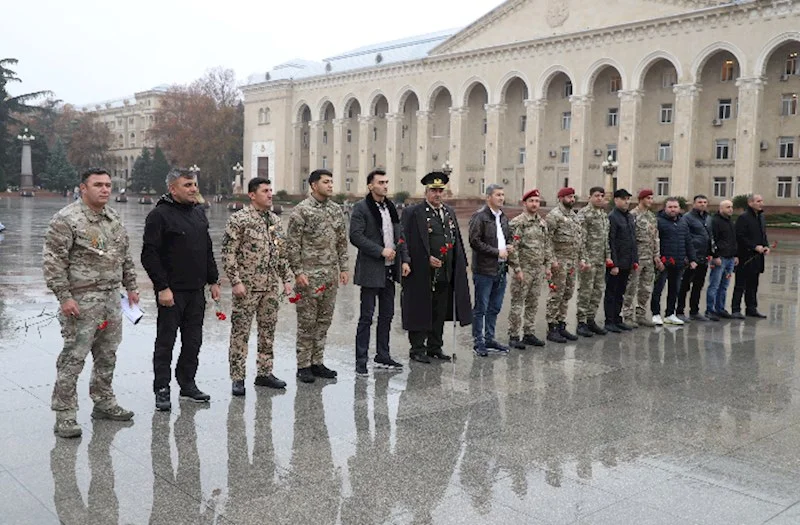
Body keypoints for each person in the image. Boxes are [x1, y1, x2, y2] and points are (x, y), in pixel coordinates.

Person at [43, 168, 139, 438]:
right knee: (74, 357)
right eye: (98, 185)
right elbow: (53, 263)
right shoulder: (66, 219)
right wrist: (64, 297)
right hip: (81, 301)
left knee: (107, 354)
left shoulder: (113, 217)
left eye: (108, 185)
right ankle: (65, 414)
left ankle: (104, 402)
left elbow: (124, 255)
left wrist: (131, 287)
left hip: (111, 299)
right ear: (83, 188)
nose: (105, 189)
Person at [141, 168, 220, 411]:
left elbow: (206, 248)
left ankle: (187, 384)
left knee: (193, 341)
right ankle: (162, 388)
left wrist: (213, 280)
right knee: (166, 342)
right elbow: (149, 255)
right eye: (187, 185)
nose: (193, 189)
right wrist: (162, 287)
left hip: (196, 291)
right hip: (171, 293)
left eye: (194, 184)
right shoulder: (159, 215)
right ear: (172, 189)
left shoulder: (198, 212)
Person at [222, 177, 293, 396]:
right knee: (240, 333)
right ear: (252, 195)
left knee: (267, 332)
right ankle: (238, 377)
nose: (270, 194)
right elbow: (228, 253)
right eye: (265, 191)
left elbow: (281, 254)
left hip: (270, 287)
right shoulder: (239, 219)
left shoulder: (274, 221)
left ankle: (264, 373)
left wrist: (287, 278)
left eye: (271, 190)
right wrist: (236, 281)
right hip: (247, 288)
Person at [286, 169, 349, 383]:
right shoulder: (301, 211)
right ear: (313, 185)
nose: (331, 185)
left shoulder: (336, 210)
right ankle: (303, 365)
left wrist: (344, 267)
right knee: (307, 322)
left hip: (330, 275)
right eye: (326, 182)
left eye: (332, 181)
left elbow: (341, 240)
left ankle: (317, 361)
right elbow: (292, 245)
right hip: (308, 277)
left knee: (324, 321)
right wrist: (298, 272)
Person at [401, 172, 472, 362]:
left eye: (440, 190)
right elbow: (403, 240)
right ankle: (417, 349)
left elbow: (456, 239)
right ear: (426, 192)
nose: (437, 194)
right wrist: (421, 259)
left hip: (445, 271)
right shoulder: (413, 212)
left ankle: (435, 347)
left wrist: (462, 263)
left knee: (439, 310)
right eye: (433, 190)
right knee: (420, 309)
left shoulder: (448, 211)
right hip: (421, 273)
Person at [349, 169, 411, 376]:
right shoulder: (361, 208)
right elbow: (356, 236)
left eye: (387, 182)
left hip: (390, 270)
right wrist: (380, 251)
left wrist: (405, 260)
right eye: (381, 182)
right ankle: (360, 360)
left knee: (387, 315)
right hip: (371, 269)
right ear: (370, 186)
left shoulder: (391, 207)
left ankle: (382, 354)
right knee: (367, 316)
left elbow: (399, 235)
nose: (385, 185)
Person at [468, 183, 513, 356]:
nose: (501, 198)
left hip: (501, 268)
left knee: (495, 306)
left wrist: (509, 247)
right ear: (488, 198)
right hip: (484, 270)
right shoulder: (480, 217)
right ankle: (478, 341)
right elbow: (474, 241)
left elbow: (506, 237)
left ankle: (490, 338)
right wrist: (496, 252)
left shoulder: (503, 217)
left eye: (502, 195)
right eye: (497, 195)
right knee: (481, 307)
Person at [507, 188, 552, 348]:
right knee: (518, 303)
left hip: (538, 270)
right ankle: (513, 335)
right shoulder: (518, 223)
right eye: (531, 201)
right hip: (524, 270)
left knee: (533, 303)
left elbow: (547, 245)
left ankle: (529, 333)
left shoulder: (542, 223)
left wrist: (547, 266)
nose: (534, 204)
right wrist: (517, 269)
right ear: (524, 203)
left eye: (537, 201)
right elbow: (513, 248)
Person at [545, 187, 588, 343]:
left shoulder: (574, 216)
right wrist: (551, 260)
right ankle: (552, 328)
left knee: (567, 294)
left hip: (571, 263)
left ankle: (561, 324)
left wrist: (582, 258)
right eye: (569, 197)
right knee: (556, 294)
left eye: (573, 197)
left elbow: (579, 239)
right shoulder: (554, 216)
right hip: (559, 262)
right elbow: (547, 240)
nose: (572, 199)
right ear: (560, 198)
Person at [651, 197, 696, 326]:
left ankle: (670, 314)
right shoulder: (658, 221)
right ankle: (655, 314)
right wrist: (657, 258)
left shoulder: (682, 222)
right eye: (670, 207)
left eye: (675, 207)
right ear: (665, 208)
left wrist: (692, 258)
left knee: (674, 289)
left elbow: (688, 241)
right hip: (663, 262)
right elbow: (654, 241)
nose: (673, 209)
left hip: (679, 261)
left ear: (679, 208)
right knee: (658, 289)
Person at [575, 187, 611, 337]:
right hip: (588, 260)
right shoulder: (584, 214)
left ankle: (591, 319)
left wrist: (608, 256)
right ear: (590, 197)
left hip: (600, 260)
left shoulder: (603, 214)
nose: (599, 198)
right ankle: (581, 322)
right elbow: (581, 239)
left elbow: (605, 239)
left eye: (602, 196)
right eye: (596, 196)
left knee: (597, 291)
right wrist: (583, 258)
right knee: (585, 291)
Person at [622, 189, 661, 328]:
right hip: (637, 257)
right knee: (631, 287)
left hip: (649, 258)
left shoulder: (651, 216)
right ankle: (627, 315)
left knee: (645, 288)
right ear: (641, 199)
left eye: (652, 198)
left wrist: (657, 255)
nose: (651, 200)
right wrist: (632, 258)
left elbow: (655, 237)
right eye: (648, 198)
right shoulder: (632, 215)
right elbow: (629, 239)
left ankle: (641, 315)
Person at [604, 189, 638, 332]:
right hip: (616, 264)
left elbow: (632, 240)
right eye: (623, 199)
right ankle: (609, 321)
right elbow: (611, 241)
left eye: (628, 199)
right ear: (616, 200)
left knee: (620, 292)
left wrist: (634, 260)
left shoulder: (629, 216)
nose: (626, 202)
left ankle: (618, 319)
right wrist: (614, 264)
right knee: (611, 292)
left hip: (627, 261)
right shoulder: (613, 217)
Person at [676, 195, 714, 322]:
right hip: (691, 258)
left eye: (704, 202)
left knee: (698, 285)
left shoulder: (708, 218)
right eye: (699, 202)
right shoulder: (687, 218)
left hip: (703, 258)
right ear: (694, 204)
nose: (702, 204)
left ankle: (694, 311)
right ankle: (679, 311)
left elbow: (709, 236)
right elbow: (685, 237)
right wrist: (687, 256)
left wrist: (711, 253)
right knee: (684, 285)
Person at [732, 194, 770, 319]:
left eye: (761, 200)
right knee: (740, 284)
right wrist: (754, 246)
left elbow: (763, 234)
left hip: (758, 257)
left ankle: (751, 308)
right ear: (750, 203)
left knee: (753, 284)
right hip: (745, 257)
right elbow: (740, 236)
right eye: (758, 201)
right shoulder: (744, 218)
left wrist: (765, 246)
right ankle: (736, 309)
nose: (761, 203)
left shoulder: (761, 216)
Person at [706, 199, 738, 320]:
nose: (730, 209)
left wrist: (736, 255)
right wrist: (715, 256)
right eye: (728, 207)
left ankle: (720, 308)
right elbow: (712, 240)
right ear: (720, 209)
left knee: (724, 285)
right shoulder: (715, 221)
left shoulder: (730, 222)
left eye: (731, 207)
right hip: (720, 258)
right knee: (714, 285)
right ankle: (710, 309)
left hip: (730, 259)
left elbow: (733, 240)